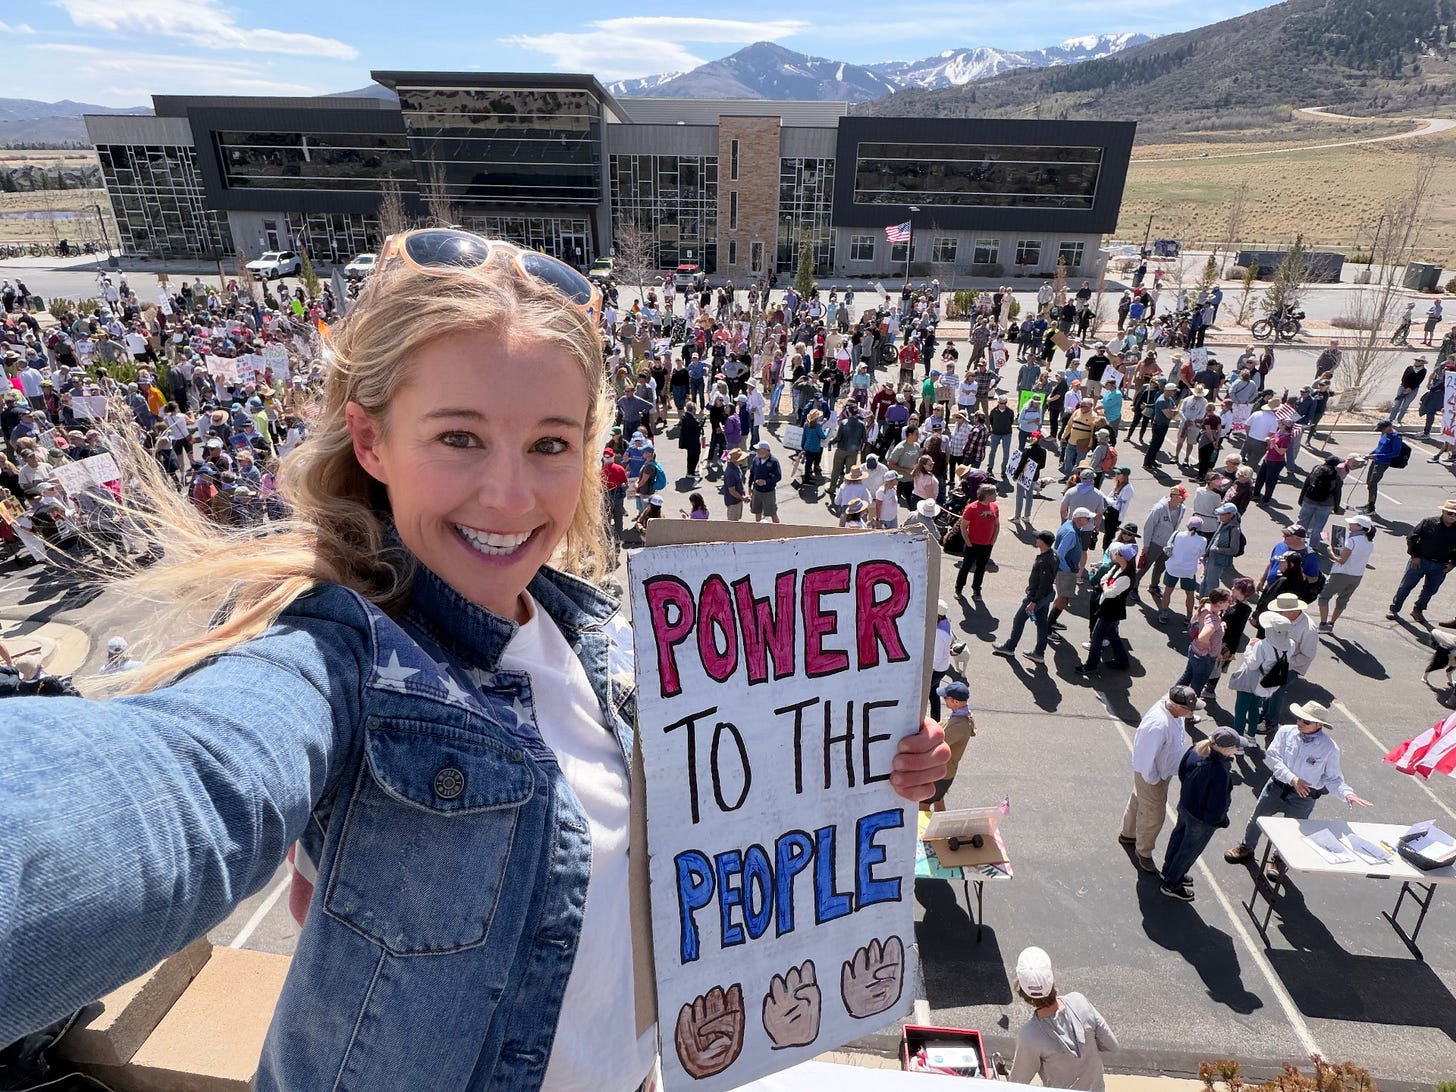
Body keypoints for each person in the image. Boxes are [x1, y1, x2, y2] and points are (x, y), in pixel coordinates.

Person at [0, 232, 954, 1085]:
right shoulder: (337, 660)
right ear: (371, 438)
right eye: (459, 437)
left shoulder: (615, 647)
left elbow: (710, 826)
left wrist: (866, 765)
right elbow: (188, 789)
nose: (508, 494)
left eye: (549, 444)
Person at [1224, 701, 1372, 870]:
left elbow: (1333, 779)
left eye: (1306, 721)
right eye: (1300, 718)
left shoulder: (1329, 748)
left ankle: (1279, 859)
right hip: (1276, 788)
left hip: (1303, 798)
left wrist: (1347, 793)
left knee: (1291, 831)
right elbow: (1272, 757)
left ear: (1319, 725)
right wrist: (1293, 779)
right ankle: (1247, 847)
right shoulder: (1286, 732)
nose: (1300, 723)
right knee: (1256, 820)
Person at [1008, 947, 1118, 1091]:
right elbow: (1111, 1045)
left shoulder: (1030, 1036)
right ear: (1052, 979)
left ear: (1022, 992)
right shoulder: (1079, 1002)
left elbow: (1017, 1083)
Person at [1119, 686, 1204, 873]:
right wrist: (1154, 779)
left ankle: (1128, 834)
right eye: (1190, 709)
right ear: (1175, 706)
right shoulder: (1157, 725)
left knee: (1138, 800)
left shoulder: (1175, 712)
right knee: (1154, 817)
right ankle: (1143, 852)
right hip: (1153, 776)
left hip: (1161, 771)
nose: (1192, 712)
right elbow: (1143, 758)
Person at [1159, 726, 1241, 902]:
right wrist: (1221, 821)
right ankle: (1172, 883)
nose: (1237, 749)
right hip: (1202, 819)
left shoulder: (1196, 749)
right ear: (1227, 749)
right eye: (1235, 747)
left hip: (1186, 806)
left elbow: (1182, 772)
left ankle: (1169, 870)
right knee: (1188, 850)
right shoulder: (1219, 772)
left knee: (1178, 838)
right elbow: (1217, 806)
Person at [1227, 612, 1295, 746]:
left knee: (1240, 710)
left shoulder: (1262, 645)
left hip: (1251, 681)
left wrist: (1249, 647)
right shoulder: (1291, 644)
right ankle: (1251, 736)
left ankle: (1238, 742)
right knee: (1255, 708)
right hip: (1268, 684)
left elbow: (1252, 664)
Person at [1388, 499, 1456, 626]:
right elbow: (1412, 538)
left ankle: (1418, 610)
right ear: (1443, 511)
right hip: (1420, 561)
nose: (1453, 516)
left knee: (1430, 590)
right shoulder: (1429, 522)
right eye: (1450, 513)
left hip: (1440, 566)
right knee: (1406, 586)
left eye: (1455, 514)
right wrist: (1415, 556)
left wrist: (1452, 564)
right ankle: (1394, 609)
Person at [993, 531, 1058, 665]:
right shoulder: (1054, 554)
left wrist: (1033, 602)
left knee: (1019, 620)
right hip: (1045, 595)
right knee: (1041, 623)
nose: (1035, 540)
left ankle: (1010, 647)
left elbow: (1044, 584)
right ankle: (1039, 653)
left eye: (1038, 539)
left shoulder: (1045, 561)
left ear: (1043, 542)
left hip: (1037, 596)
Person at [1080, 542, 1136, 675]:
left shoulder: (1126, 577)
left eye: (1119, 554)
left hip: (1111, 610)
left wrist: (1106, 586)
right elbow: (1103, 580)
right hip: (1107, 607)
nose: (1115, 555)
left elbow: (1110, 593)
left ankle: (1091, 666)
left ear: (1125, 558)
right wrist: (1106, 585)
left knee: (1096, 636)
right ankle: (1122, 661)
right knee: (1113, 636)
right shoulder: (1118, 568)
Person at [1319, 514, 1375, 633]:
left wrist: (1330, 552)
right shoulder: (1370, 542)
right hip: (1357, 576)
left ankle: (1323, 624)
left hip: (1341, 574)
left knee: (1324, 597)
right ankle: (1331, 624)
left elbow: (1341, 561)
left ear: (1360, 527)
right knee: (1342, 600)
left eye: (1352, 524)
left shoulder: (1352, 541)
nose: (1350, 525)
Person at [925, 680, 975, 811]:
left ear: (956, 702)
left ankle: (929, 831)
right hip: (946, 772)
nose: (943, 700)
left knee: (922, 804)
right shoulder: (960, 715)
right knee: (938, 799)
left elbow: (938, 742)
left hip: (942, 772)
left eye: (945, 698)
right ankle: (942, 830)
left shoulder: (960, 725)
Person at [1046, 508, 1094, 636]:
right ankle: (1048, 627)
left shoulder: (1068, 525)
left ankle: (1052, 621)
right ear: (1079, 519)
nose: (1089, 520)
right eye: (1087, 518)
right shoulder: (1071, 533)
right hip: (1065, 572)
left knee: (1062, 598)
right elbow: (1059, 554)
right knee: (1063, 599)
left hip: (1064, 570)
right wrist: (1068, 570)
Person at [1177, 588, 1231, 694]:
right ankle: (1186, 707)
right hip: (1204, 658)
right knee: (1195, 689)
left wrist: (1220, 625)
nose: (1230, 603)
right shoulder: (1213, 621)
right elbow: (1202, 637)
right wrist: (1209, 647)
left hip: (1194, 651)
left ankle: (1173, 697)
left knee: (1186, 677)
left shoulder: (1205, 607)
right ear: (1220, 603)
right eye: (1228, 601)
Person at [1157, 517, 1208, 623]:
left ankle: (1164, 613)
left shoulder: (1177, 534)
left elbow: (1168, 546)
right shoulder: (1202, 540)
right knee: (1190, 594)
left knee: (1167, 592)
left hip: (1173, 568)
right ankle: (1189, 617)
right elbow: (1201, 554)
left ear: (1187, 525)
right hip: (1188, 571)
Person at [955, 483, 1000, 599]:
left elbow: (996, 525)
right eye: (995, 493)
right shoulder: (971, 508)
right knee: (965, 567)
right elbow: (963, 527)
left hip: (987, 546)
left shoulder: (995, 507)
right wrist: (968, 543)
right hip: (972, 545)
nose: (997, 495)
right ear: (987, 495)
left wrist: (992, 541)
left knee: (981, 569)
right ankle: (958, 589)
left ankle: (976, 590)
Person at [1359, 419, 1403, 516]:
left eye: (1382, 429)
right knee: (1369, 483)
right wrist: (1370, 454)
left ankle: (1371, 507)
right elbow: (1379, 447)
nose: (1381, 432)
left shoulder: (1396, 437)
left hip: (1383, 463)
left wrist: (1376, 456)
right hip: (1375, 460)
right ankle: (1368, 504)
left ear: (1389, 427)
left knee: (1373, 483)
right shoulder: (1384, 434)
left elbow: (1395, 453)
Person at [1202, 503, 1241, 594]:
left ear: (1231, 515)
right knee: (1205, 580)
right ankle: (1202, 598)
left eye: (1222, 514)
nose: (1220, 516)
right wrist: (1207, 553)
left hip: (1219, 561)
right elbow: (1214, 539)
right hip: (1211, 558)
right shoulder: (1223, 523)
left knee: (1211, 583)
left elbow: (1234, 550)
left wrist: (1216, 549)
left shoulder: (1235, 529)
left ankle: (1209, 602)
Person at [929, 599, 954, 719]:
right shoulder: (945, 624)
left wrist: (928, 674)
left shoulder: (939, 634)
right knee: (933, 694)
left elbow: (936, 658)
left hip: (936, 670)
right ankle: (936, 720)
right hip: (942, 667)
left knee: (923, 694)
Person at [748, 439, 782, 524]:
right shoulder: (756, 459)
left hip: (768, 492)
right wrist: (749, 486)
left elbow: (778, 476)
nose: (757, 451)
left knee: (772, 513)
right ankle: (758, 528)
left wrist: (765, 482)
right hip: (757, 491)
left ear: (766, 450)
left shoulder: (774, 462)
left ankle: (779, 529)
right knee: (757, 511)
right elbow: (752, 473)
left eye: (759, 449)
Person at [721, 447, 749, 520]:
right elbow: (732, 490)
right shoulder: (731, 472)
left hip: (737, 500)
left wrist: (744, 495)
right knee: (733, 524)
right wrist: (743, 498)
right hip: (733, 502)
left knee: (737, 521)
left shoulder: (736, 467)